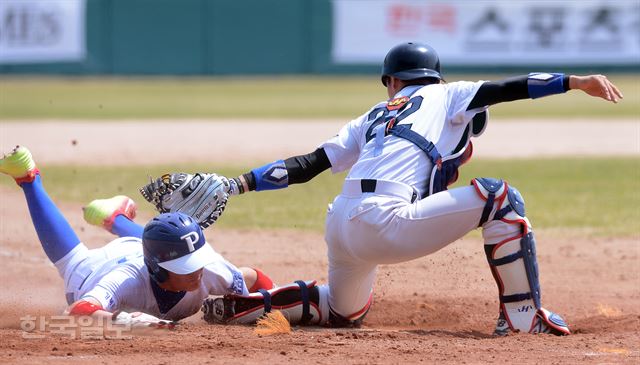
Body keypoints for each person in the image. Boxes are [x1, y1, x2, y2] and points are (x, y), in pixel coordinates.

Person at [141, 42, 623, 335]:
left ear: (392, 81)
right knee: (501, 198)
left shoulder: (371, 116)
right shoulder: (447, 93)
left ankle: (239, 309)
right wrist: (574, 81)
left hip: (341, 223)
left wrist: (238, 183)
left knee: (343, 311)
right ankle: (523, 317)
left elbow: (308, 165)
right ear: (431, 76)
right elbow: (506, 88)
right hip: (386, 221)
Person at [0, 146, 275, 329]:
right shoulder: (126, 281)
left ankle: (115, 218)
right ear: (157, 270)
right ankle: (28, 177)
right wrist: (125, 322)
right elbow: (81, 309)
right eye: (186, 266)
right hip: (96, 268)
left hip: (142, 247)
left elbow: (254, 279)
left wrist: (274, 301)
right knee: (73, 263)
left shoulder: (211, 268)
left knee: (169, 240)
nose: (197, 272)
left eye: (197, 260)